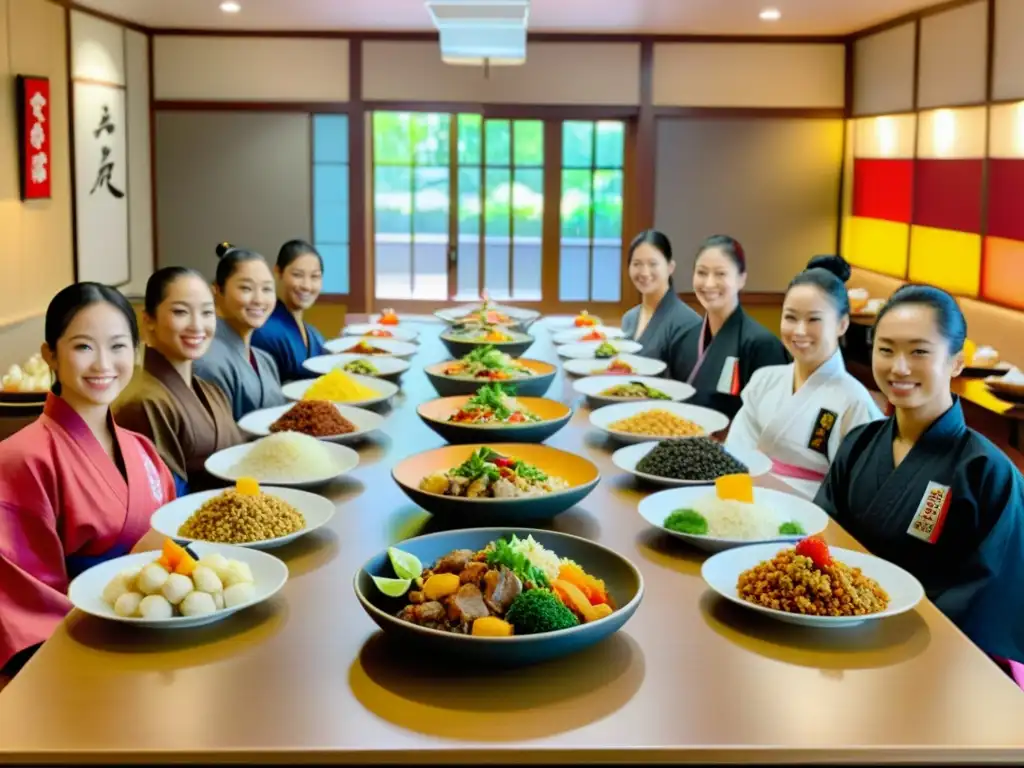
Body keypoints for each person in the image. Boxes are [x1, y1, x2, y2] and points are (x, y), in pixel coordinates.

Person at [815, 285, 1024, 688]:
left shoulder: (985, 470)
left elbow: (985, 593)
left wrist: (897, 625)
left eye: (919, 352)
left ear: (957, 362)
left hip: (937, 663)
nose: (899, 367)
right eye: (886, 349)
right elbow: (827, 538)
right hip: (839, 637)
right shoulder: (859, 443)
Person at [0, 283, 176, 676]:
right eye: (83, 347)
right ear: (51, 356)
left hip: (162, 637)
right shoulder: (19, 460)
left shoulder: (142, 449)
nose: (103, 364)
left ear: (135, 351)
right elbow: (26, 606)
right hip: (81, 657)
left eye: (117, 346)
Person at [726, 255, 883, 498]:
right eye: (790, 317)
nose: (799, 331)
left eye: (814, 319)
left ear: (842, 324)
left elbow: (859, 492)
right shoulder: (764, 380)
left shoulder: (855, 402)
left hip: (811, 520)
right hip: (745, 502)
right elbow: (735, 452)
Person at [114, 267, 245, 495]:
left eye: (207, 313)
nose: (197, 325)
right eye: (181, 312)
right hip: (194, 525)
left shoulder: (210, 390)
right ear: (149, 320)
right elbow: (162, 498)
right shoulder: (142, 403)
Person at [667, 235, 789, 417]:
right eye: (701, 273)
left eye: (720, 274)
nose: (709, 283)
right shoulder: (684, 338)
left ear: (741, 279)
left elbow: (771, 419)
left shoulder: (762, 344)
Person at [194, 243, 288, 420]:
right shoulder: (208, 363)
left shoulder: (265, 360)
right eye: (246, 288)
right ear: (217, 291)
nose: (259, 299)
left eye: (267, 289)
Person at [251, 240, 328, 382]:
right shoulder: (265, 332)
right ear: (278, 272)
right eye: (298, 275)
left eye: (315, 276)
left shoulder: (314, 334)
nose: (307, 286)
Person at [620, 229, 701, 362]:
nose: (645, 273)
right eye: (637, 264)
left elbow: (690, 381)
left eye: (653, 264)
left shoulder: (689, 323)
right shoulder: (629, 318)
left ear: (670, 267)